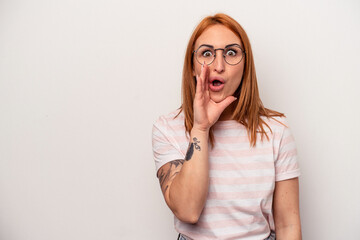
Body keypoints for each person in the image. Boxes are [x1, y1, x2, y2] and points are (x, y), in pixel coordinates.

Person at [152, 13, 301, 240]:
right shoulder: (167, 128)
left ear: (245, 66)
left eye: (231, 53)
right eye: (206, 53)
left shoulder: (276, 130)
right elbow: (188, 210)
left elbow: (288, 226)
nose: (218, 66)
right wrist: (201, 128)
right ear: (192, 66)